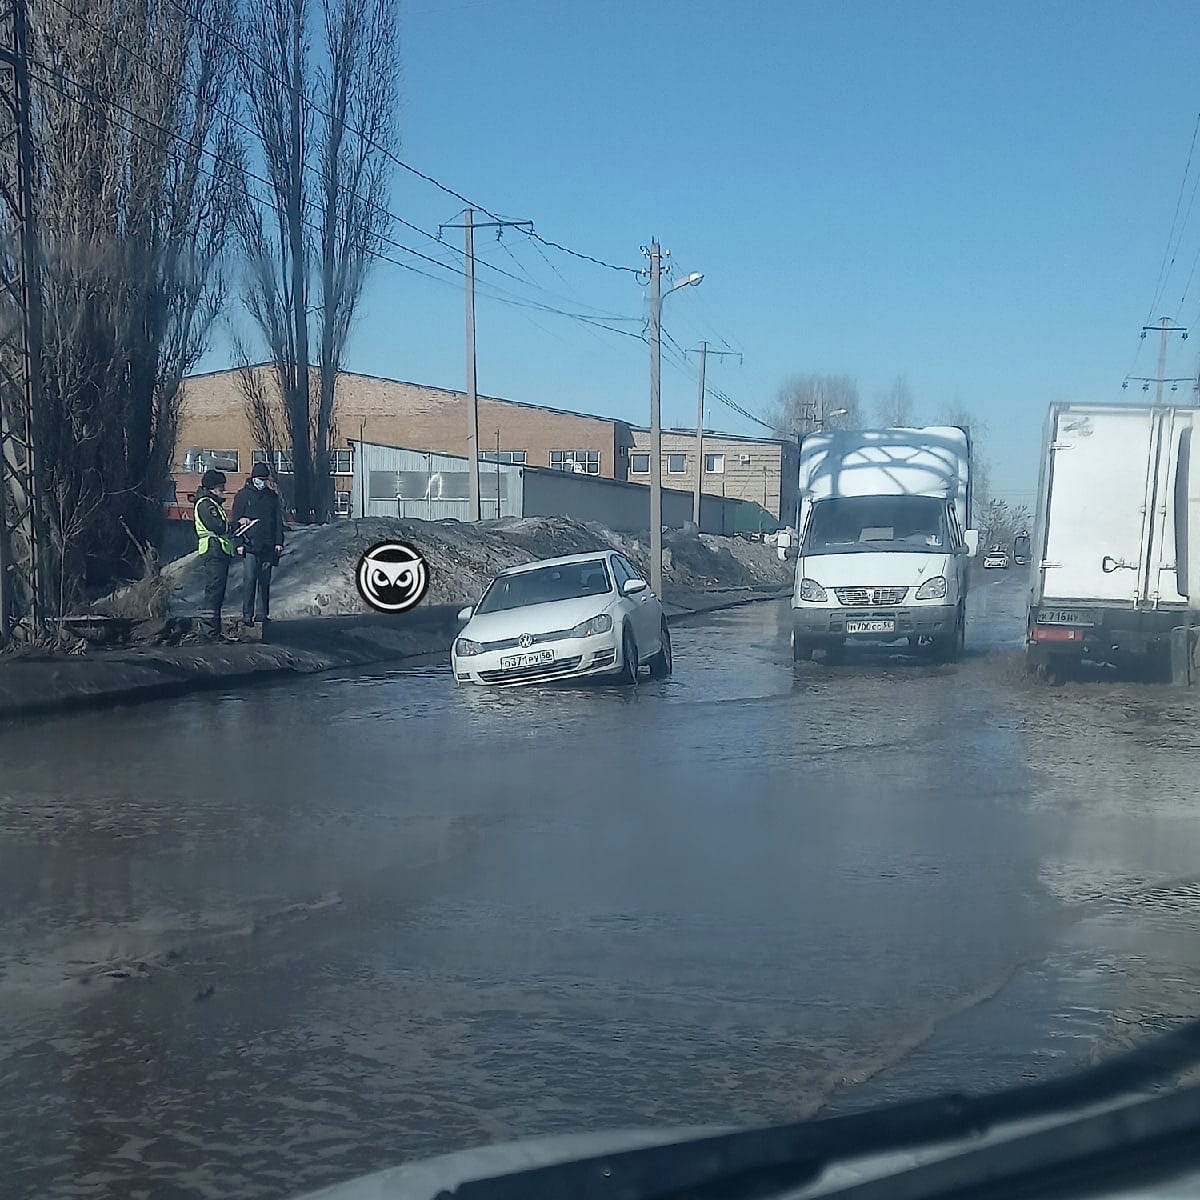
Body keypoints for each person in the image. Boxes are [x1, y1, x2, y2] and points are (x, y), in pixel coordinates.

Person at [231, 462, 285, 637]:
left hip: (268, 545)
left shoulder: (272, 497)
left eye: (265, 479)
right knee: (250, 579)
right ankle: (247, 614)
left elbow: (278, 522)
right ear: (253, 478)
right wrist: (238, 543)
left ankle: (262, 614)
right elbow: (236, 521)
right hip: (249, 545)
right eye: (260, 479)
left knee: (265, 581)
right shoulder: (242, 496)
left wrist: (278, 542)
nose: (263, 482)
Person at [194, 469, 235, 641]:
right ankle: (209, 632)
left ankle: (213, 630)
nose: (223, 490)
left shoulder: (212, 503)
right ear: (212, 487)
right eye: (221, 486)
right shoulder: (206, 504)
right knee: (213, 592)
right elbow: (218, 526)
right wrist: (234, 526)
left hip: (219, 550)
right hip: (213, 550)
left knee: (217, 592)